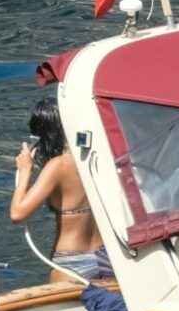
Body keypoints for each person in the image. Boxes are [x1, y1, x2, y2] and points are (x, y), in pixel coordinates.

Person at [10, 97, 114, 282]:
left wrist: (24, 171)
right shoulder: (98, 156)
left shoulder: (58, 166)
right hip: (107, 256)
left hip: (72, 261)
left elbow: (18, 214)